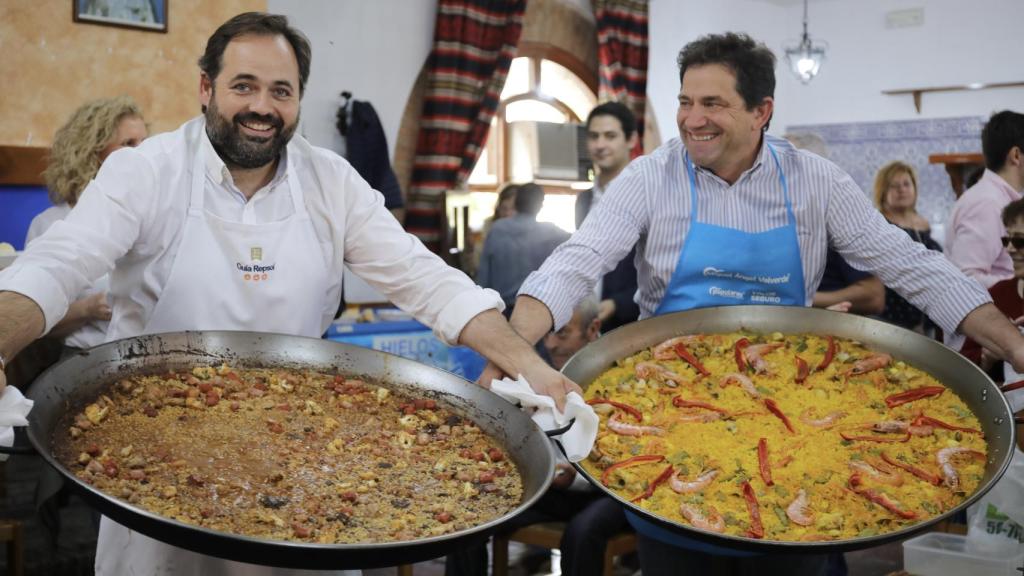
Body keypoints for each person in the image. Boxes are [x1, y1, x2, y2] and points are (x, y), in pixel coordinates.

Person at [0, 12, 576, 576]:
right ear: (206, 88)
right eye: (243, 86)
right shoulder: (145, 171)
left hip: (305, 461)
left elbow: (426, 277)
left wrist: (529, 365)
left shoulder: (331, 180)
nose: (262, 107)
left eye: (282, 91)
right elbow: (57, 262)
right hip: (154, 455)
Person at [487, 32, 1024, 576]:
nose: (692, 119)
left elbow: (912, 264)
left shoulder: (815, 180)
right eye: (685, 101)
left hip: (794, 423)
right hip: (666, 420)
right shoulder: (650, 177)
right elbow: (575, 262)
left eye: (712, 103)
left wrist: (1015, 345)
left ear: (761, 111)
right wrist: (509, 349)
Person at [446, 296, 630, 576]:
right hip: (552, 486)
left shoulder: (619, 370)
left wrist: (575, 477)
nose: (551, 344)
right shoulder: (537, 366)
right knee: (470, 514)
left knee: (583, 532)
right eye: (547, 335)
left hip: (610, 491)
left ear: (593, 329)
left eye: (563, 334)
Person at [26, 96, 148, 353]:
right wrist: (88, 309)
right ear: (92, 153)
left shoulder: (155, 217)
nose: (142, 153)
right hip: (81, 357)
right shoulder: (51, 224)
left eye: (145, 143)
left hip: (152, 355)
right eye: (128, 144)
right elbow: (35, 327)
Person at [577, 102, 641, 332]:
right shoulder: (583, 199)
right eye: (594, 136)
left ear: (631, 140)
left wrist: (618, 304)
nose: (600, 145)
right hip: (588, 322)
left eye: (610, 136)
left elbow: (664, 270)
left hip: (632, 325)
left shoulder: (645, 196)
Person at [947, 110, 1024, 288]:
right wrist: (1018, 287)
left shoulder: (1000, 198)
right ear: (1016, 155)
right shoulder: (987, 203)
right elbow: (966, 279)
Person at [873, 160, 943, 331]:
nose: (902, 189)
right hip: (892, 313)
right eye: (894, 186)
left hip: (926, 311)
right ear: (883, 191)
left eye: (906, 184)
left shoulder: (923, 223)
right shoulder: (879, 223)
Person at [476, 183, 569, 310]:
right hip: (535, 309)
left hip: (499, 308)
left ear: (516, 203)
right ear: (540, 206)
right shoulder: (551, 232)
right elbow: (579, 243)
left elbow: (484, 275)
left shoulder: (497, 229)